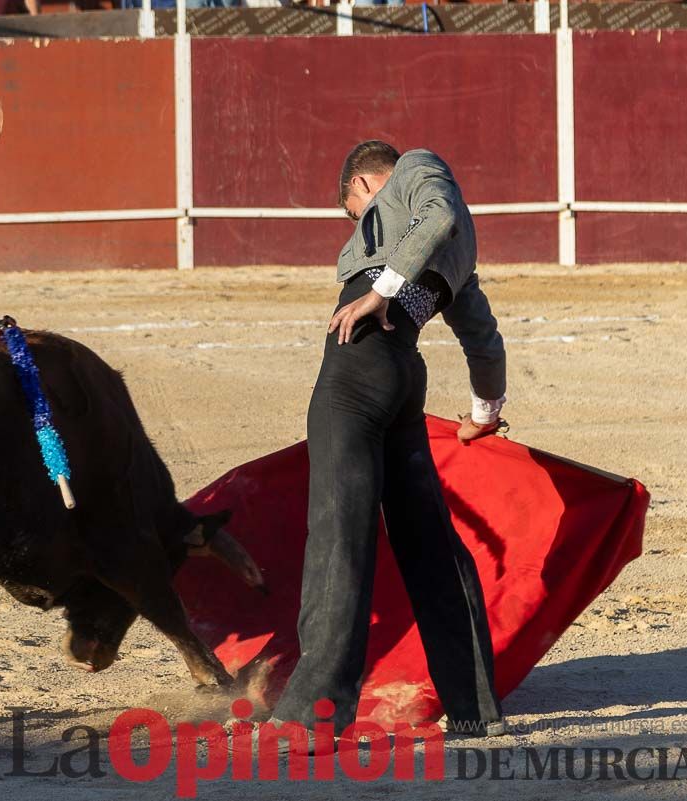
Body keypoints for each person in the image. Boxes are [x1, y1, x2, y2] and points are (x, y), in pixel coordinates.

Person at [256, 141, 508, 752]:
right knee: (428, 543)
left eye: (354, 213)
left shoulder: (418, 170)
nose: (359, 225)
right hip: (402, 373)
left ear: (369, 184)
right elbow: (482, 335)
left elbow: (436, 212)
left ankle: (312, 715)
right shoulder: (462, 255)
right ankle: (475, 707)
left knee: (339, 532)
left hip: (357, 365)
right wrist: (484, 412)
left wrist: (381, 290)